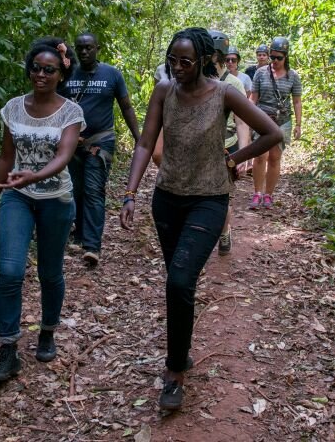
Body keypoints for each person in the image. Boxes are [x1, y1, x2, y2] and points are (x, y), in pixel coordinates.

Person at [119, 28, 282, 411]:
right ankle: (182, 350)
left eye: (186, 61)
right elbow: (145, 142)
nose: (177, 68)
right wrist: (129, 193)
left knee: (179, 280)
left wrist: (234, 160)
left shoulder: (225, 93)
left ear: (205, 60)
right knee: (179, 283)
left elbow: (271, 133)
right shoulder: (164, 91)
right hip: (167, 199)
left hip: (208, 200)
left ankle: (174, 372)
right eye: (172, 60)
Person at [0, 38, 85, 382]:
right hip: (16, 197)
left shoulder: (71, 112)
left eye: (48, 70)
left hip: (56, 198)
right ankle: (7, 350)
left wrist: (34, 175)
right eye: (35, 68)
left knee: (49, 273)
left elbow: (64, 155)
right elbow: (5, 157)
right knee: (9, 271)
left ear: (60, 74)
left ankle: (48, 330)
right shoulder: (13, 108)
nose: (40, 74)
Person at [60, 32, 141, 268]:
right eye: (80, 48)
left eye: (88, 48)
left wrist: (139, 139)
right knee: (76, 189)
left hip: (100, 141)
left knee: (94, 189)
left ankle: (92, 246)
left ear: (98, 48)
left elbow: (126, 107)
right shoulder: (67, 74)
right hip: (71, 142)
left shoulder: (112, 74)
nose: (84, 52)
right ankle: (81, 233)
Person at [209, 31, 250, 256]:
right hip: (201, 148)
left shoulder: (234, 84)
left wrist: (243, 154)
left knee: (222, 196)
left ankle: (224, 231)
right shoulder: (198, 80)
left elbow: (242, 121)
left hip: (227, 146)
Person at [249, 37, 303, 210]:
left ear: (286, 57)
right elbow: (253, 98)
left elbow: (296, 101)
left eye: (279, 57)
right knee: (260, 156)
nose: (275, 61)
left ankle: (268, 195)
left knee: (274, 158)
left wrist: (298, 125)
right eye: (273, 57)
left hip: (282, 121)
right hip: (263, 118)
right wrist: (248, 119)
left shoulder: (293, 76)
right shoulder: (260, 73)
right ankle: (257, 193)